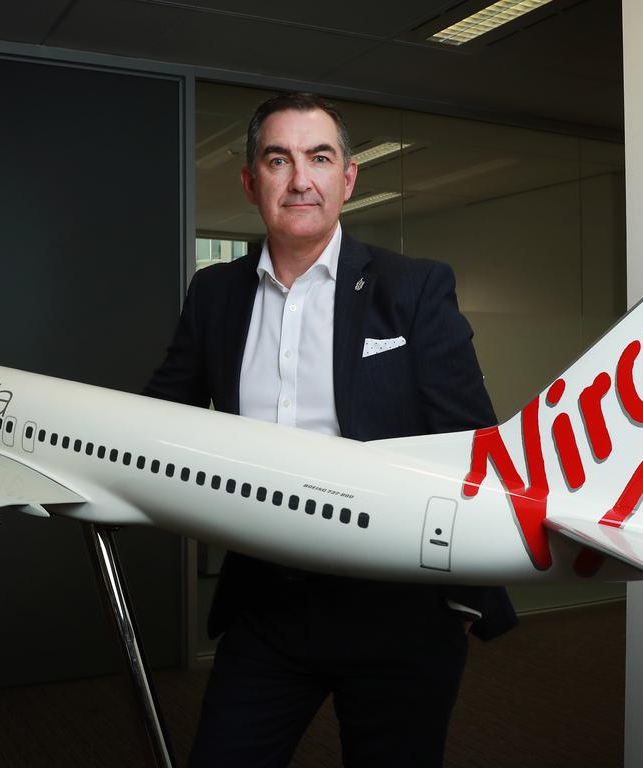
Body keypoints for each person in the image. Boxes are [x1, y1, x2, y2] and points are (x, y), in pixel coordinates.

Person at [145, 92, 516, 768]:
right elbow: (151, 421)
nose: (300, 179)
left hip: (397, 613)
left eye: (320, 158)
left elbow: (472, 444)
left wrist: (460, 599)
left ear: (347, 179)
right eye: (278, 159)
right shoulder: (215, 295)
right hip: (267, 609)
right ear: (252, 181)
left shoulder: (413, 289)